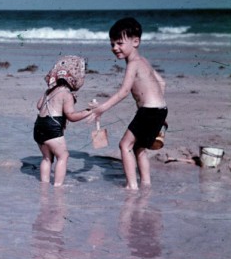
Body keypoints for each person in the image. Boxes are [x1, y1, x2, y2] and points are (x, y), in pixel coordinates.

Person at [87, 17, 167, 190]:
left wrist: (102, 108)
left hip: (148, 111)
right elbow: (162, 83)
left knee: (125, 145)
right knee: (139, 148)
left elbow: (124, 92)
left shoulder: (133, 63)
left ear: (135, 42)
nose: (115, 48)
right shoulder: (144, 61)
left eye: (120, 43)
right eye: (112, 44)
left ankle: (131, 186)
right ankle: (145, 183)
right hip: (160, 109)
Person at [34, 55, 95, 187]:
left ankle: (43, 186)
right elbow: (71, 116)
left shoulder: (48, 91)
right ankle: (58, 187)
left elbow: (39, 106)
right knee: (63, 156)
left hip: (39, 126)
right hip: (52, 126)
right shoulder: (66, 94)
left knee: (46, 158)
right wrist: (88, 111)